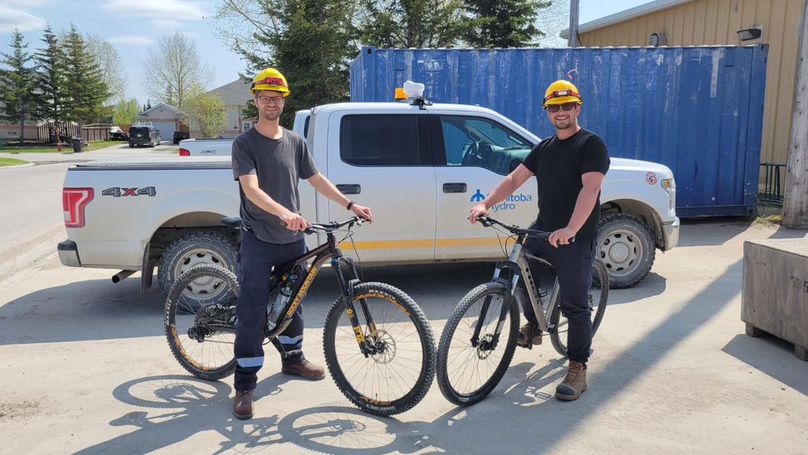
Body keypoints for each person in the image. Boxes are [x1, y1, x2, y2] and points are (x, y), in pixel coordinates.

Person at [230, 67, 374, 420]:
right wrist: (283, 213)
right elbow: (251, 189)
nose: (270, 103)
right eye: (264, 97)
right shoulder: (244, 144)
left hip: (293, 237)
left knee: (293, 301)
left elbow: (316, 178)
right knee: (252, 308)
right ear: (255, 101)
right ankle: (245, 383)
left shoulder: (295, 141)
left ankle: (292, 358)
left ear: (283, 101)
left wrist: (350, 204)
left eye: (276, 98)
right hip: (260, 238)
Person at [469, 80, 610, 401]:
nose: (560, 112)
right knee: (514, 269)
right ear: (547, 112)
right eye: (554, 108)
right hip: (543, 228)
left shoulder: (591, 145)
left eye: (566, 106)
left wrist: (572, 229)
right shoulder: (544, 147)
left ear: (578, 107)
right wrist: (485, 204)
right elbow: (515, 178)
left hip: (575, 236)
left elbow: (591, 190)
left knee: (575, 306)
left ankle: (577, 368)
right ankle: (534, 325)